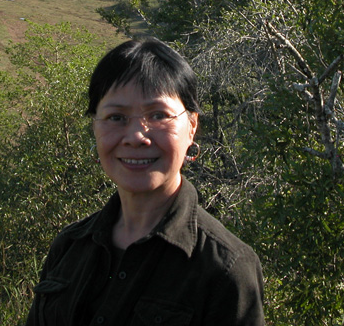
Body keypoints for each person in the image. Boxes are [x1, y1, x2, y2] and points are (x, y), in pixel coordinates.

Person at [25, 38, 265, 325]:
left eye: (158, 115)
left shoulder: (226, 268)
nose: (136, 137)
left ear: (191, 126)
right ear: (95, 127)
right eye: (116, 117)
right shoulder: (69, 246)